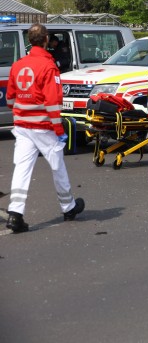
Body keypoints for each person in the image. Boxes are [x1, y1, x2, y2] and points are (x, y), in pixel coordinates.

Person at [5, 23, 85, 233]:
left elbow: (10, 100)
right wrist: (59, 130)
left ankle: (15, 214)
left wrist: (23, 111)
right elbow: (53, 101)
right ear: (46, 40)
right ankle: (68, 207)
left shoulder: (18, 65)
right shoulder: (49, 66)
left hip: (22, 126)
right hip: (44, 127)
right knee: (57, 166)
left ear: (29, 41)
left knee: (22, 168)